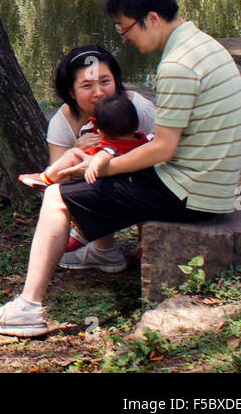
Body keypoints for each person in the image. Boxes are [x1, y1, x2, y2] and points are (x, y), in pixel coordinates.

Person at [0, 0, 241, 337]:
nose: (125, 37)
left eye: (125, 28)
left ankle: (28, 308)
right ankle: (101, 252)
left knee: (56, 195)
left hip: (188, 194)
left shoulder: (177, 64)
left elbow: (164, 147)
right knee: (89, 177)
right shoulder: (203, 45)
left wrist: (106, 167)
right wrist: (106, 161)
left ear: (151, 18)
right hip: (206, 186)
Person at [40, 44, 156, 269]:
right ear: (72, 92)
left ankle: (147, 240)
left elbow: (162, 153)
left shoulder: (138, 108)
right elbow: (57, 176)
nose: (99, 93)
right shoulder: (62, 123)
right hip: (98, 189)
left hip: (141, 187)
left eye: (105, 82)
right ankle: (101, 245)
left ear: (116, 81)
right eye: (87, 86)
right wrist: (76, 152)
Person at [20, 93, 150, 188]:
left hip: (104, 178)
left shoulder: (110, 147)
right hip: (130, 177)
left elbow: (103, 155)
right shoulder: (140, 140)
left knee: (72, 154)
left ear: (101, 133)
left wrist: (94, 166)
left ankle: (46, 178)